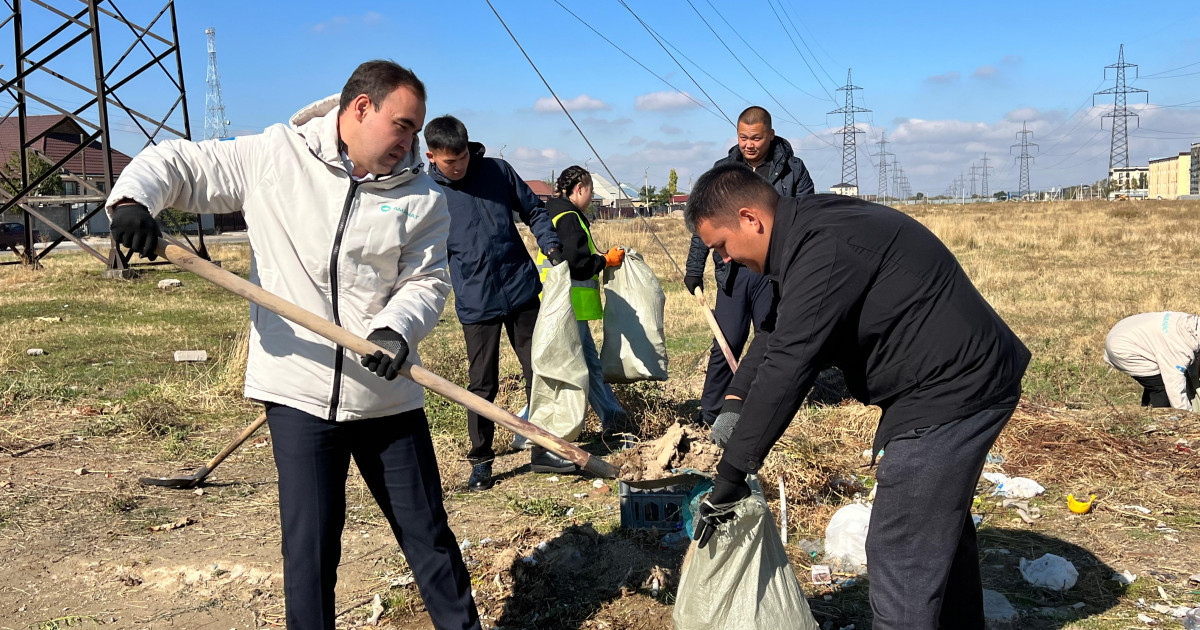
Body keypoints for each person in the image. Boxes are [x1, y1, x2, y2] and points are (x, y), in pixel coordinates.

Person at [106, 60, 479, 630]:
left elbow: (427, 280)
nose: (412, 143)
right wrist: (133, 200)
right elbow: (177, 163)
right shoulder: (276, 157)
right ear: (361, 108)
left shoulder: (422, 196)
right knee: (309, 553)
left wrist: (397, 329)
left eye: (415, 129)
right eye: (403, 125)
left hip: (386, 396)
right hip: (298, 394)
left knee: (428, 538)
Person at [686, 164, 1029, 630]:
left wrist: (729, 479)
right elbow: (777, 329)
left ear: (750, 219)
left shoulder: (822, 247)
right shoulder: (803, 228)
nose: (723, 260)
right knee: (934, 529)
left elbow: (791, 364)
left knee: (900, 550)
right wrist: (735, 399)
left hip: (953, 391)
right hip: (955, 380)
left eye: (720, 246)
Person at [423, 115, 563, 491]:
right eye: (449, 162)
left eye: (463, 157)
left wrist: (547, 241)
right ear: (431, 156)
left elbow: (534, 210)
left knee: (540, 369)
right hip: (476, 301)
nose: (459, 167)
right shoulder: (426, 193)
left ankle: (545, 443)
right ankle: (482, 459)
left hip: (520, 289)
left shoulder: (498, 171)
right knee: (482, 384)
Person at [683, 106, 815, 431]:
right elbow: (706, 222)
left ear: (770, 135)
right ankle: (711, 415)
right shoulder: (723, 171)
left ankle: (761, 413)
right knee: (726, 342)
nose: (749, 144)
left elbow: (807, 218)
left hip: (771, 274)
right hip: (733, 274)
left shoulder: (793, 171)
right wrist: (694, 267)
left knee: (770, 341)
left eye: (756, 138)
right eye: (743, 137)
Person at [529, 165, 627, 473]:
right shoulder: (569, 218)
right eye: (591, 192)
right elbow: (577, 263)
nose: (592, 198)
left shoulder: (551, 212)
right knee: (582, 367)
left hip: (555, 301)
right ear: (580, 188)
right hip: (571, 303)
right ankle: (612, 421)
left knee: (572, 366)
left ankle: (609, 418)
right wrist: (604, 260)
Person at [1104, 311, 1200, 410]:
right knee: (1162, 387)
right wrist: (1187, 415)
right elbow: (1174, 385)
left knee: (1154, 380)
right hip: (1123, 348)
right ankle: (1155, 420)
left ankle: (1146, 410)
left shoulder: (1189, 322)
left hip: (1123, 328)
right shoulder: (1179, 349)